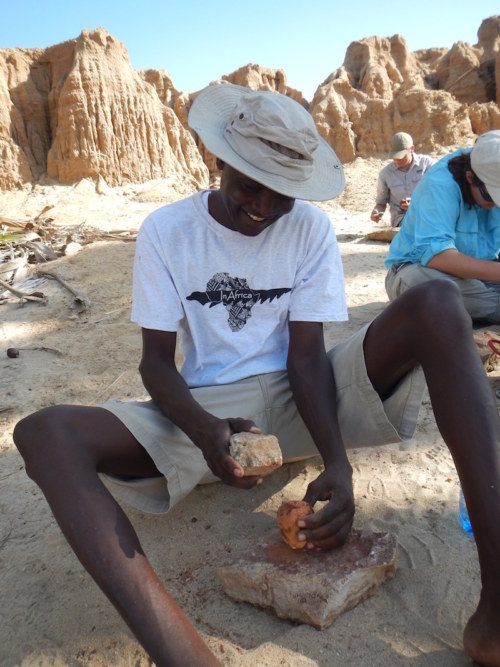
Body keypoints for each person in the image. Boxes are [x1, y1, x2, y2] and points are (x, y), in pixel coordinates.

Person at [12, 84, 500, 667]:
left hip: (306, 394)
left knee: (440, 304)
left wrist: (338, 465)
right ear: (218, 162)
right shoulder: (168, 231)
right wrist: (201, 428)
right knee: (44, 434)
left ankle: (496, 615)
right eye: (249, 186)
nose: (265, 209)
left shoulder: (311, 230)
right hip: (211, 413)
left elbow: (305, 356)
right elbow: (154, 364)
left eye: (283, 195)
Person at [385, 131, 500, 323]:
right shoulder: (440, 184)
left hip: (482, 276)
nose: (495, 206)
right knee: (437, 290)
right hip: (417, 269)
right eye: (491, 198)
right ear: (470, 178)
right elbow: (438, 256)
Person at [370, 131, 435, 228]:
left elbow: (437, 194)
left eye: (401, 157)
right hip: (401, 220)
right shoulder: (385, 174)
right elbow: (381, 203)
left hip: (427, 215)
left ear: (411, 149)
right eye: (394, 157)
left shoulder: (426, 164)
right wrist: (377, 212)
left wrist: (415, 203)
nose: (397, 160)